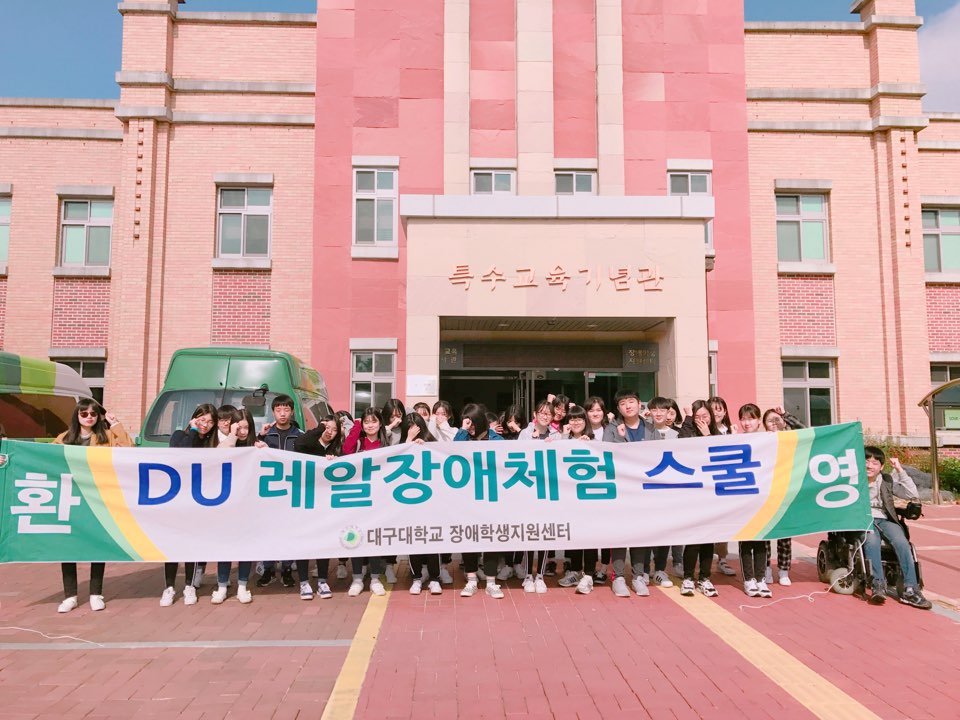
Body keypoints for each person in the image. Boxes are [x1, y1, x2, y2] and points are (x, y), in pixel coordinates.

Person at [53, 399, 133, 613]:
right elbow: (44, 458)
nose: (89, 417)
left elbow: (128, 450)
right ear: (77, 415)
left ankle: (96, 593)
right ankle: (70, 596)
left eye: (93, 414)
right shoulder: (64, 438)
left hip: (99, 498)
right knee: (68, 548)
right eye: (84, 413)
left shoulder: (107, 436)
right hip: (71, 498)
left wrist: (115, 424)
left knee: (98, 545)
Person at [162, 403, 219, 607]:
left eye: (210, 421)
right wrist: (193, 431)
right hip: (176, 499)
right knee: (172, 544)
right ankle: (169, 587)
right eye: (202, 419)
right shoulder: (180, 435)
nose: (205, 424)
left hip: (200, 500)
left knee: (192, 544)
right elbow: (181, 453)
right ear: (194, 418)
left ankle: (189, 585)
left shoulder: (213, 443)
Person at [862, 446, 931, 609]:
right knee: (872, 542)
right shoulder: (854, 481)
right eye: (866, 461)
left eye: (875, 463)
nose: (870, 466)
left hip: (885, 519)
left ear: (881, 467)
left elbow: (912, 494)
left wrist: (900, 470)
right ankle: (878, 584)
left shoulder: (886, 480)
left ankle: (910, 589)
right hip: (864, 520)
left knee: (902, 542)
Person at [290, 414, 344, 600]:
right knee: (304, 541)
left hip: (326, 504)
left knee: (323, 541)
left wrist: (335, 460)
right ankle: (304, 582)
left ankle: (322, 580)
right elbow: (299, 443)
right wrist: (320, 428)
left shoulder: (337, 450)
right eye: (327, 428)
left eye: (334, 430)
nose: (330, 432)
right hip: (305, 501)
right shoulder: (308, 445)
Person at [454, 403, 505, 599]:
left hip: (491, 497)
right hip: (467, 498)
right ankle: (472, 579)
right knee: (469, 537)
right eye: (467, 423)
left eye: (473, 423)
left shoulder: (496, 440)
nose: (471, 427)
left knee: (491, 537)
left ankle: (491, 582)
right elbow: (450, 452)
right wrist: (462, 430)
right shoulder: (464, 438)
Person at [602, 389, 650, 598]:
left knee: (640, 534)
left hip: (642, 492)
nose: (628, 406)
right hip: (620, 490)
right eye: (623, 403)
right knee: (620, 533)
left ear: (639, 404)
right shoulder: (612, 428)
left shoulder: (650, 428)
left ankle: (638, 576)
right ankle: (618, 577)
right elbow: (605, 455)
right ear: (618, 408)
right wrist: (621, 439)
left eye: (631, 401)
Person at [256, 394, 305, 589]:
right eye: (278, 410)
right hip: (269, 493)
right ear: (273, 412)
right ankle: (268, 568)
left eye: (286, 410)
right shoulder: (266, 435)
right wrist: (259, 438)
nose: (282, 414)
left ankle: (286, 568)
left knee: (288, 530)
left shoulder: (300, 435)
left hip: (292, 491)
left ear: (292, 412)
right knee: (268, 530)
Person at [211, 408, 257, 605]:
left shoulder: (256, 446)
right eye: (240, 427)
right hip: (226, 505)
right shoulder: (226, 443)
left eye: (247, 428)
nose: (243, 432)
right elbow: (219, 454)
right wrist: (232, 435)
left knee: (245, 546)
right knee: (225, 546)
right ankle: (221, 586)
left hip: (248, 505)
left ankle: (242, 586)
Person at [343, 407, 389, 596]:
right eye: (366, 422)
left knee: (374, 538)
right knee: (356, 536)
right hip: (358, 497)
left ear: (380, 423)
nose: (370, 425)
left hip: (379, 499)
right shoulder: (358, 442)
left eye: (374, 421)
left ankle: (375, 578)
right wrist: (356, 426)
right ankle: (357, 578)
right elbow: (346, 450)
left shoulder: (386, 444)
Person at [557, 405, 603, 594]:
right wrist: (562, 438)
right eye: (572, 419)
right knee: (574, 535)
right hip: (569, 498)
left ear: (586, 422)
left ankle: (589, 574)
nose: (575, 422)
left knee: (589, 536)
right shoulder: (562, 440)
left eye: (579, 419)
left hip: (589, 497)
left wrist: (590, 445)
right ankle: (575, 571)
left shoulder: (594, 441)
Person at [678, 400, 721, 598]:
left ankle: (705, 577)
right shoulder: (688, 433)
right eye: (698, 417)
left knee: (708, 539)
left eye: (705, 416)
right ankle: (688, 577)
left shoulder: (717, 435)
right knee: (693, 539)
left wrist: (708, 436)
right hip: (693, 495)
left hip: (711, 496)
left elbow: (719, 456)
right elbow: (681, 444)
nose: (702, 420)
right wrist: (688, 418)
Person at [397, 413, 443, 595]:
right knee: (414, 541)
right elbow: (395, 464)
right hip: (410, 503)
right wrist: (408, 442)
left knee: (432, 542)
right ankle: (416, 578)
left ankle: (434, 578)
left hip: (431, 504)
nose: (413, 431)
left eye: (415, 427)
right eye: (409, 428)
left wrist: (428, 448)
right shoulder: (400, 445)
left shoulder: (431, 442)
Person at [762, 406, 804, 585]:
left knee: (785, 534)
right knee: (764, 533)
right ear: (764, 424)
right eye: (769, 421)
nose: (773, 423)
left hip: (787, 490)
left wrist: (785, 415)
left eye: (776, 420)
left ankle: (784, 570)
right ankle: (765, 568)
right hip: (766, 492)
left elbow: (804, 430)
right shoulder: (761, 441)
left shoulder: (791, 438)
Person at [736, 404, 771, 598]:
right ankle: (749, 580)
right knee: (746, 541)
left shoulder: (768, 440)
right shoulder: (736, 440)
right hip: (743, 499)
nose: (746, 422)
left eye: (751, 418)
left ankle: (761, 579)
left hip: (763, 498)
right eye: (743, 419)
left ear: (759, 421)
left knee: (761, 542)